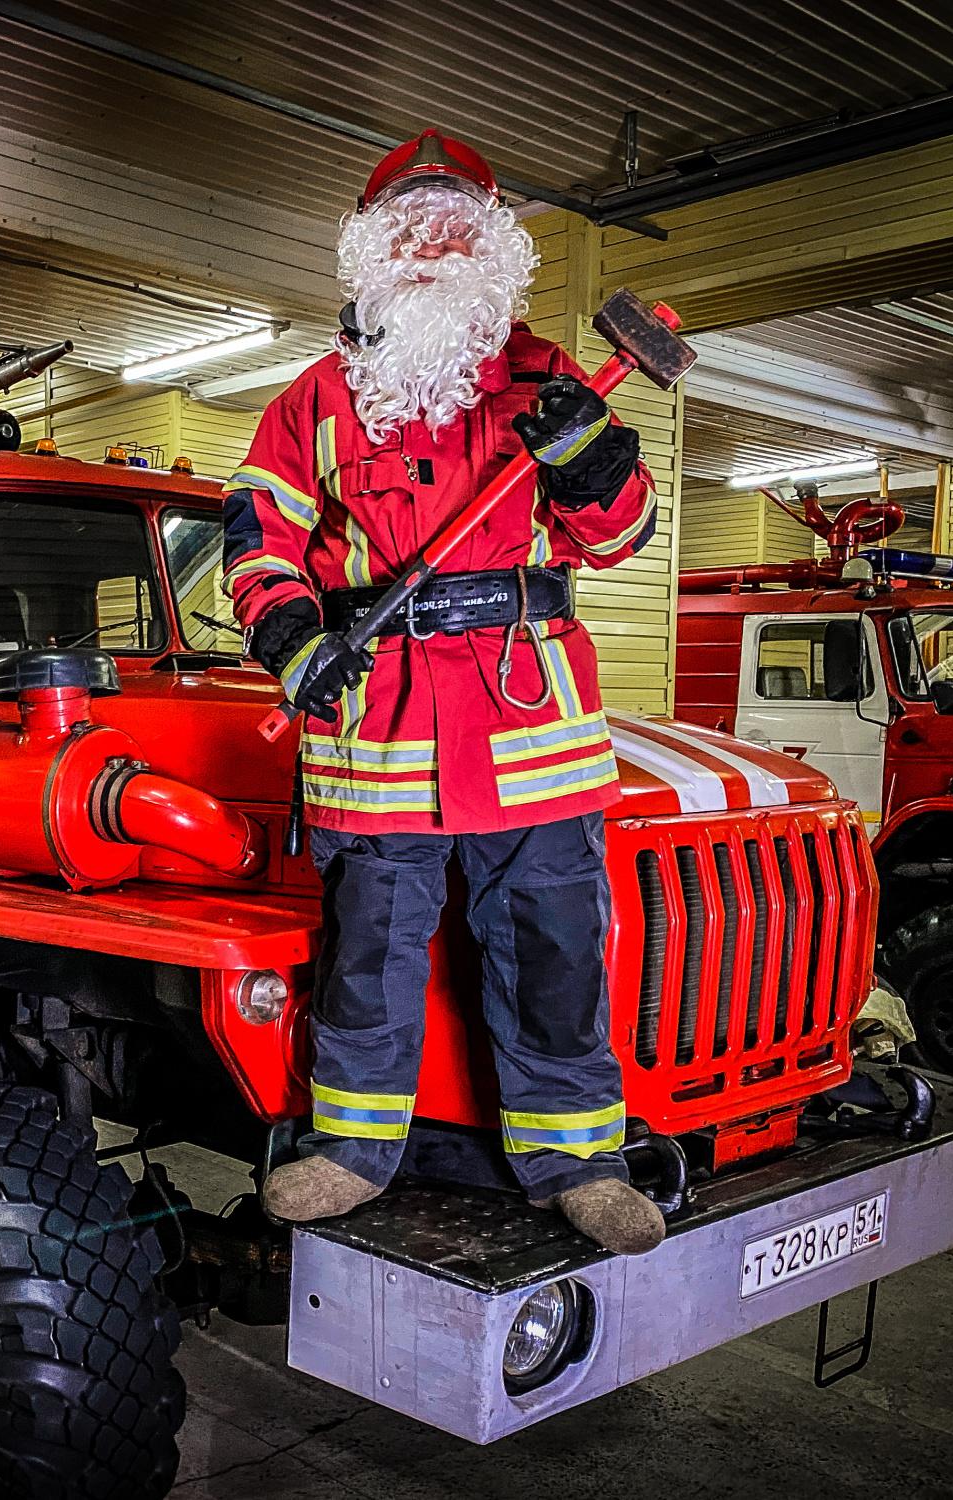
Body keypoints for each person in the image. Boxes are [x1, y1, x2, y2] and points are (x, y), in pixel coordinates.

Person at [221, 129, 665, 1256]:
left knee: (554, 949)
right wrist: (292, 644)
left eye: (454, 229)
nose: (431, 247)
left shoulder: (553, 383)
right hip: (376, 722)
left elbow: (619, 535)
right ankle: (351, 1152)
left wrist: (591, 459)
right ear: (371, 252)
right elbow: (256, 542)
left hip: (530, 721)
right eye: (409, 230)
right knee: (368, 951)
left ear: (490, 250)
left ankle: (577, 1164)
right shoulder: (312, 402)